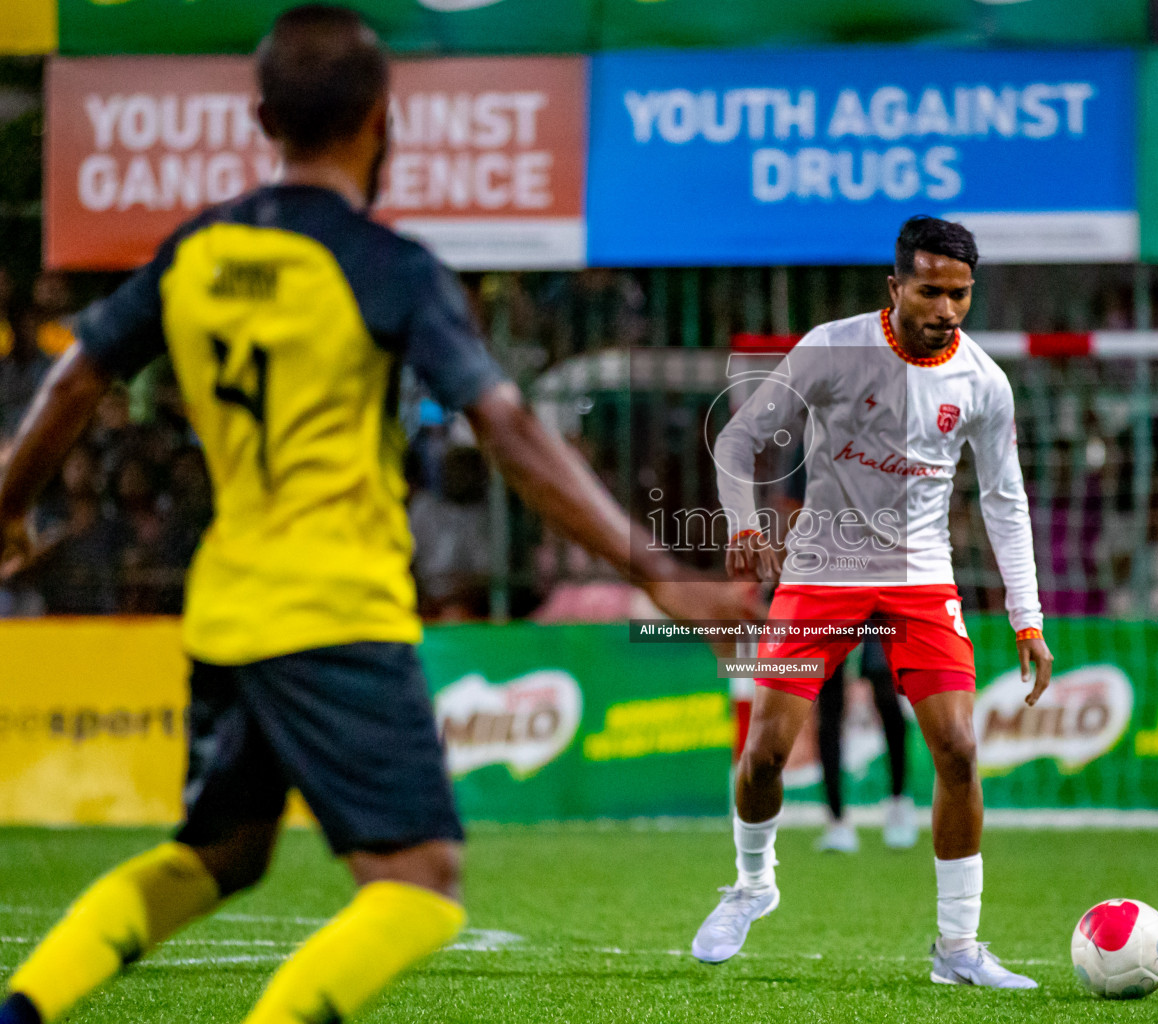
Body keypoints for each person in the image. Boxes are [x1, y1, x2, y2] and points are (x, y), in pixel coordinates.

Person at [0, 9, 756, 1024]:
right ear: (381, 120)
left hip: (226, 607)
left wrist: (5, 509)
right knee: (419, 881)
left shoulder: (194, 254)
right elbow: (511, 430)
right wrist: (660, 570)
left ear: (262, 115)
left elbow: (70, 385)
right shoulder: (389, 267)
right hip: (335, 609)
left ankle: (26, 1004)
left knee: (221, 852)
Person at [695, 216, 1053, 987]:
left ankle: (958, 947)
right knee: (763, 755)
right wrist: (747, 524)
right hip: (822, 569)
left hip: (921, 576)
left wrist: (1028, 616)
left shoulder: (985, 383)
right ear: (895, 288)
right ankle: (753, 885)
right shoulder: (834, 347)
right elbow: (737, 440)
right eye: (931, 290)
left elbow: (1005, 499)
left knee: (958, 749)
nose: (947, 309)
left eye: (960, 294)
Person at [813, 640, 917, 853]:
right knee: (829, 709)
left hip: (876, 615)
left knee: (887, 694)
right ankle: (837, 820)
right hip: (832, 614)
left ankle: (898, 803)